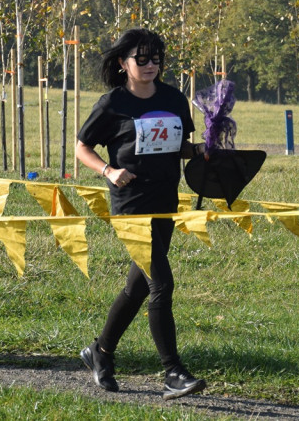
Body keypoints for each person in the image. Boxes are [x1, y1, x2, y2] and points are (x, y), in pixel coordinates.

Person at [75, 28, 208, 401]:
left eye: (156, 59)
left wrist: (198, 151)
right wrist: (108, 171)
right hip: (130, 204)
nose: (150, 65)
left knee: (137, 287)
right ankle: (173, 372)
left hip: (166, 199)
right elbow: (82, 147)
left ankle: (99, 352)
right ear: (123, 63)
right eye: (142, 59)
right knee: (160, 284)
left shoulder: (173, 98)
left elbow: (177, 144)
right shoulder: (112, 103)